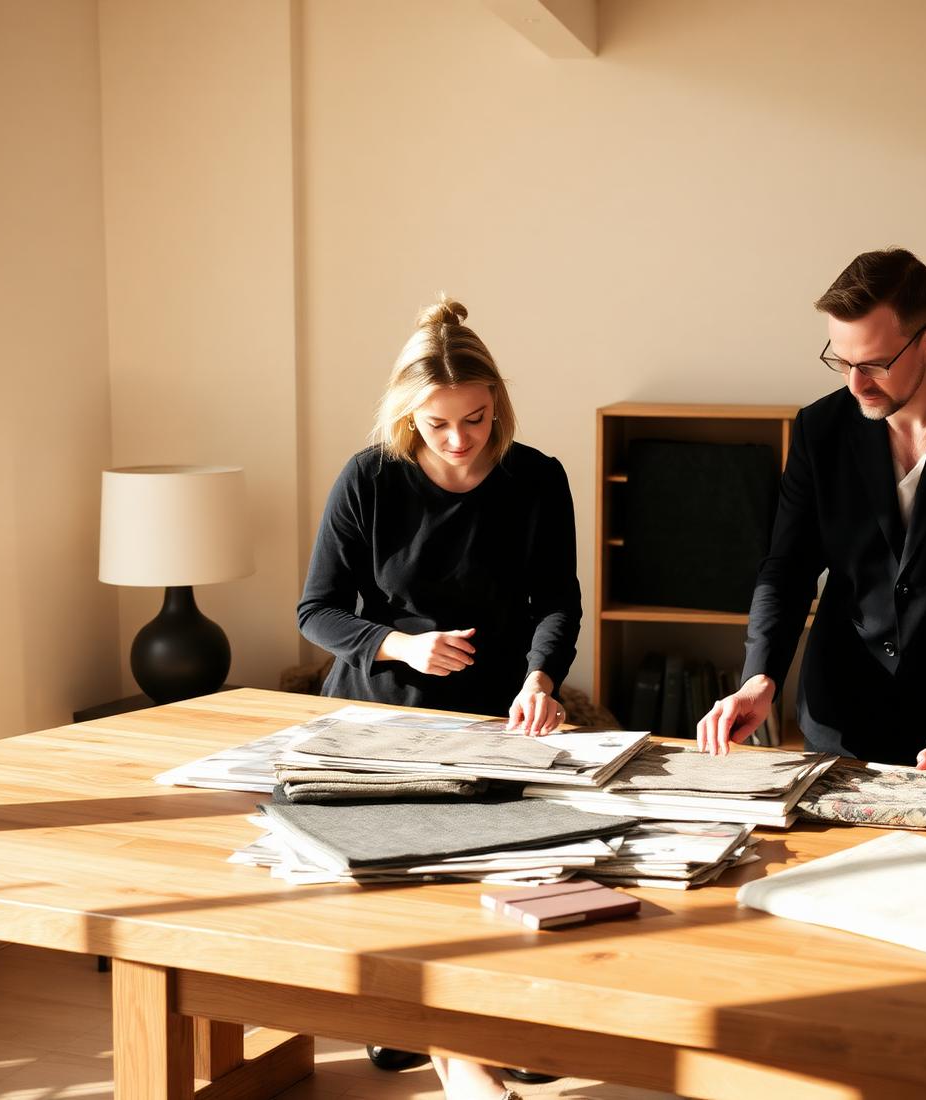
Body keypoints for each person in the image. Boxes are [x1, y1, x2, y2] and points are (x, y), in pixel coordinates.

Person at [297, 295, 579, 1100]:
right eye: (439, 424)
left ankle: (493, 1032)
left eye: (479, 419)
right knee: (407, 883)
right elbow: (315, 610)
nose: (461, 441)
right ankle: (436, 1036)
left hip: (500, 707)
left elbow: (558, 599)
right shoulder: (370, 478)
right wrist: (397, 642)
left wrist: (541, 676)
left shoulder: (536, 478)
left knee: (508, 879)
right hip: (383, 709)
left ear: (498, 404)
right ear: (407, 415)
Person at [696, 248, 926, 775]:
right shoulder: (820, 429)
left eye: (875, 364)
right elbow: (788, 568)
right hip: (839, 717)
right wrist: (760, 675)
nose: (855, 384)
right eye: (841, 361)